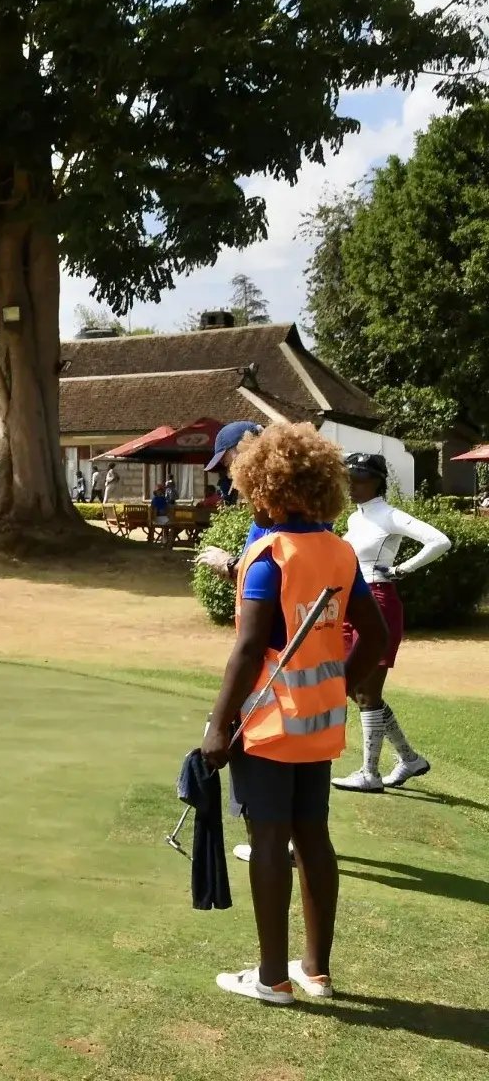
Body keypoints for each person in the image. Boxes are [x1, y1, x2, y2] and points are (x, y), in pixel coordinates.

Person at [200, 423, 385, 1005]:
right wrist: (339, 685)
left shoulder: (267, 557)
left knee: (269, 839)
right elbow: (375, 636)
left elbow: (248, 649)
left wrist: (218, 726)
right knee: (314, 839)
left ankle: (271, 977)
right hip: (319, 722)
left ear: (265, 487)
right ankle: (316, 971)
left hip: (269, 722)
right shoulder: (340, 551)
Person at [332, 453, 450, 793]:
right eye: (349, 478)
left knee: (367, 690)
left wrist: (401, 569)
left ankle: (370, 773)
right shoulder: (355, 518)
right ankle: (408, 758)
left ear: (377, 481)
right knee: (354, 687)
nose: (352, 485)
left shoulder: (389, 515)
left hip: (378, 601)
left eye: (360, 479)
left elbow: (440, 540)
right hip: (352, 602)